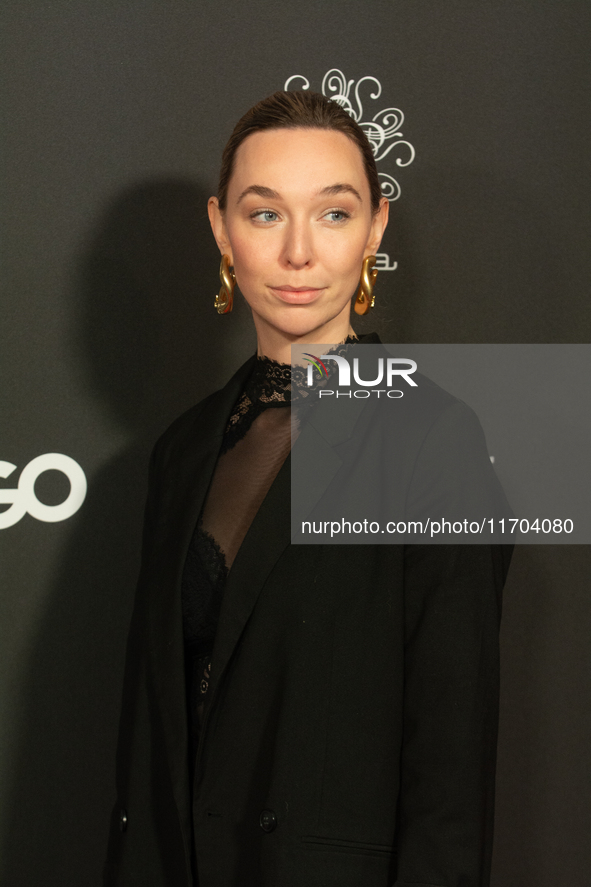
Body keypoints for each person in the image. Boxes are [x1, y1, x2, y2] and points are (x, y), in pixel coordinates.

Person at [104, 90, 512, 887]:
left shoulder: (431, 434)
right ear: (221, 228)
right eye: (265, 215)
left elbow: (451, 765)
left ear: (374, 230)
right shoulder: (184, 448)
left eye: (332, 213)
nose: (299, 252)